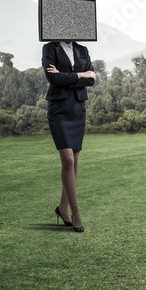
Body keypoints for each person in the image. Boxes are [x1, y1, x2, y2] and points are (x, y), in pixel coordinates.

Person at [42, 39, 97, 233]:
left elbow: (92, 80)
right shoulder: (50, 48)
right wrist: (81, 74)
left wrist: (68, 76)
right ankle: (76, 214)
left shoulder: (82, 49)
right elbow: (54, 80)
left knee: (74, 160)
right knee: (67, 160)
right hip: (59, 109)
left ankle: (62, 208)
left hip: (78, 108)